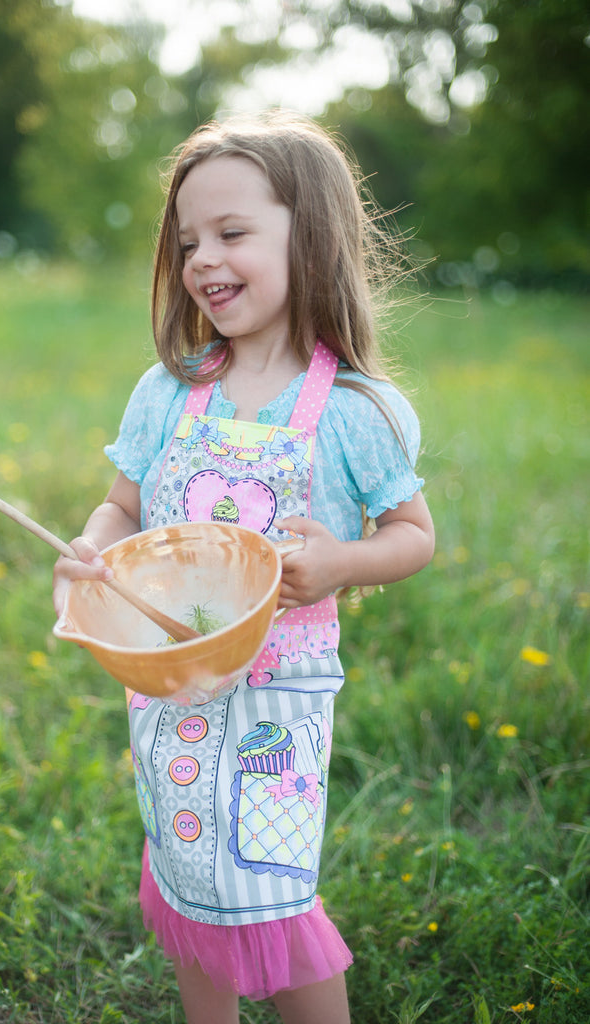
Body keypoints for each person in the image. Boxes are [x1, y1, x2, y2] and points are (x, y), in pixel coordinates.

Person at [52, 110, 434, 1024]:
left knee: (269, 879)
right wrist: (92, 547)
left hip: (275, 700)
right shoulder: (170, 390)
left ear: (314, 237)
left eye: (231, 233)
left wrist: (342, 560)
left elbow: (412, 535)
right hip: (171, 685)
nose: (202, 260)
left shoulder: (354, 410)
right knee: (190, 870)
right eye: (188, 241)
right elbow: (123, 506)